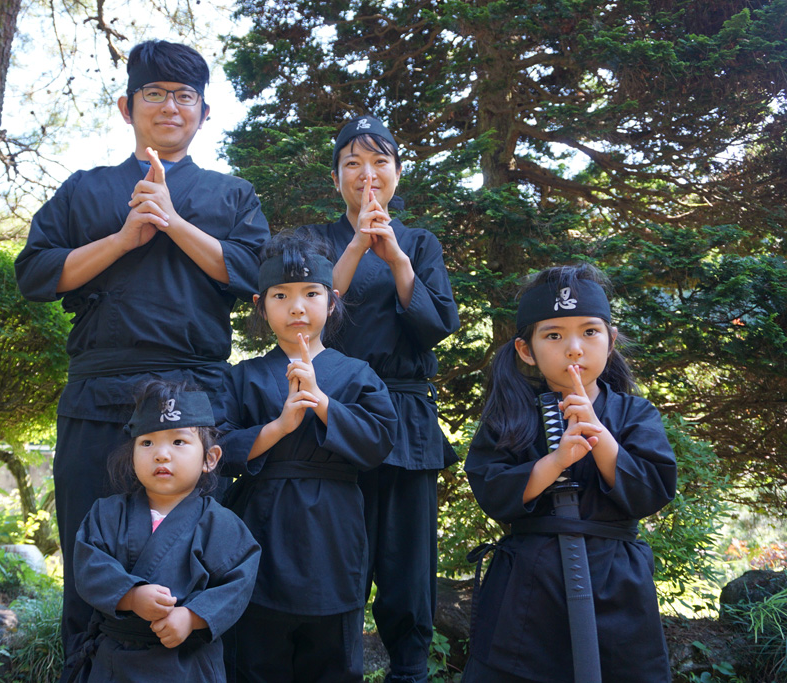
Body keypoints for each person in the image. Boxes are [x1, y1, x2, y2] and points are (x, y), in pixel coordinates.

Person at [13, 39, 269, 673]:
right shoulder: (86, 190)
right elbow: (36, 274)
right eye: (154, 94)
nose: (170, 107)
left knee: (198, 555)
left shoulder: (230, 194)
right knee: (88, 548)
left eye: (184, 96)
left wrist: (174, 222)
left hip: (194, 394)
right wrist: (126, 237)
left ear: (204, 114)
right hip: (98, 393)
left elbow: (250, 274)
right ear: (127, 107)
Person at [297, 115, 460, 682]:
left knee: (408, 563)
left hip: (407, 416)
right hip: (335, 406)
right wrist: (357, 247)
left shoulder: (419, 243)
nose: (367, 175)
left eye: (380, 162)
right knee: (336, 553)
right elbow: (307, 319)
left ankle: (410, 669)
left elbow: (437, 326)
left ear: (397, 172)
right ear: (336, 177)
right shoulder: (315, 241)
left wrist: (394, 258)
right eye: (352, 164)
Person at [462, 264, 677, 682]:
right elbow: (490, 490)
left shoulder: (635, 413)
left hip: (617, 582)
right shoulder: (508, 415)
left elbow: (653, 490)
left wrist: (603, 441)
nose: (574, 348)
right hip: (528, 587)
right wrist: (554, 462)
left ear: (611, 341)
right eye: (554, 335)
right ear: (527, 350)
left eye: (590, 332)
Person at [213, 231, 398, 682]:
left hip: (334, 536)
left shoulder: (357, 374)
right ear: (261, 305)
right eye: (282, 295)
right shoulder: (244, 377)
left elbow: (380, 441)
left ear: (331, 301)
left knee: (331, 661)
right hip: (260, 530)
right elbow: (216, 449)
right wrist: (278, 427)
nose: (297, 307)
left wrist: (322, 403)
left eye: (310, 293)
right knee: (256, 659)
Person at [68, 380, 261, 683]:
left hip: (187, 663)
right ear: (132, 454)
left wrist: (192, 617)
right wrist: (130, 596)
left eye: (178, 442)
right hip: (115, 661)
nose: (161, 454)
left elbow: (237, 585)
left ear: (209, 458)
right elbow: (88, 567)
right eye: (147, 443)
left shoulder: (221, 524)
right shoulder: (106, 513)